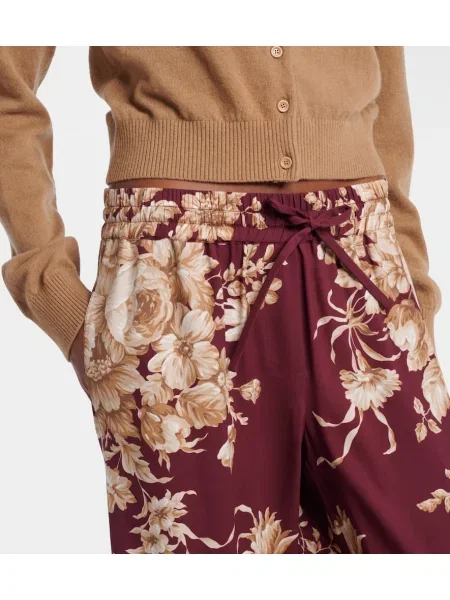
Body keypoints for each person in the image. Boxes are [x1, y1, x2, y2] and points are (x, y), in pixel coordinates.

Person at [0, 46, 449, 554]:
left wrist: (410, 294)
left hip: (358, 260)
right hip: (179, 281)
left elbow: (388, 109)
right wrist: (55, 295)